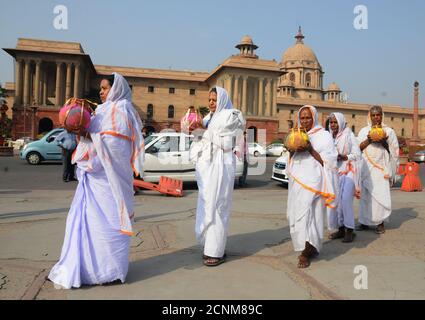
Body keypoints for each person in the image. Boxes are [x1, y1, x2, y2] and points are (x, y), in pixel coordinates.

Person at [48, 73, 145, 289]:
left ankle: (111, 272)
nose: (100, 92)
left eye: (105, 88)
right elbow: (93, 140)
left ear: (116, 88)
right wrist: (80, 133)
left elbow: (115, 149)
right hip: (93, 180)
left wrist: (88, 135)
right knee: (88, 225)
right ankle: (86, 270)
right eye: (100, 88)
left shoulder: (122, 112)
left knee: (110, 226)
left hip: (111, 183)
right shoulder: (100, 111)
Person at [190, 86, 245, 267]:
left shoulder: (230, 116)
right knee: (207, 204)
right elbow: (201, 140)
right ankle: (211, 246)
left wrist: (203, 131)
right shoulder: (208, 118)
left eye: (214, 100)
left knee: (218, 205)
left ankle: (216, 252)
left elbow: (227, 143)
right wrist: (194, 130)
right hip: (206, 169)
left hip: (221, 166)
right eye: (209, 100)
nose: (211, 103)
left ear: (221, 99)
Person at [286, 105, 338, 268]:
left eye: (308, 117)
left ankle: (305, 252)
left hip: (315, 183)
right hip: (298, 182)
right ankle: (309, 246)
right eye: (302, 118)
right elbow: (291, 159)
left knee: (312, 217)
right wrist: (291, 150)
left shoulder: (324, 136)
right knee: (297, 216)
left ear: (314, 118)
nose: (305, 121)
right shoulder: (296, 134)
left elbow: (328, 162)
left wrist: (309, 148)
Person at [356, 106, 399, 234]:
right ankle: (364, 222)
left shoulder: (389, 132)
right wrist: (369, 139)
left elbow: (394, 151)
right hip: (366, 167)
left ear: (382, 116)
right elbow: (358, 148)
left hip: (381, 168)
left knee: (380, 196)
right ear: (370, 116)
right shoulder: (364, 131)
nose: (376, 118)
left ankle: (380, 223)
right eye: (373, 115)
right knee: (366, 196)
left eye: (378, 115)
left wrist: (383, 142)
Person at [327, 113, 362, 243]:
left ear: (341, 122)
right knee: (336, 202)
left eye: (335, 122)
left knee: (346, 200)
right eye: (331, 122)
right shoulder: (329, 137)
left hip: (349, 171)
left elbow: (358, 155)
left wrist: (345, 157)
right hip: (335, 171)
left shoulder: (349, 135)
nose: (333, 125)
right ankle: (340, 229)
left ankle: (350, 230)